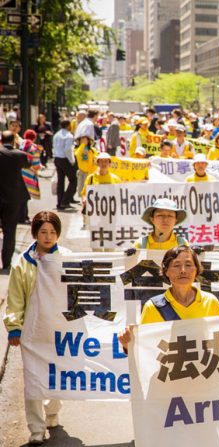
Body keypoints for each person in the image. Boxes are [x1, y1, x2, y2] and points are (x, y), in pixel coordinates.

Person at [3, 212, 69, 444]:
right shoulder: (22, 262)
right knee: (33, 379)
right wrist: (14, 326)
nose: (48, 236)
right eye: (43, 232)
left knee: (60, 376)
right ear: (35, 233)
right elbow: (15, 298)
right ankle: (36, 428)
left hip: (60, 330)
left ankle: (52, 411)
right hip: (32, 331)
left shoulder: (68, 258)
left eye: (52, 232)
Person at [118, 246, 219, 349]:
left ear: (197, 270)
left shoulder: (210, 301)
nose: (183, 270)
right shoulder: (153, 307)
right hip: (169, 375)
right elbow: (146, 348)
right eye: (176, 265)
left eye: (189, 265)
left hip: (206, 374)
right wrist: (128, 344)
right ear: (166, 271)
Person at [0, 131, 31, 272]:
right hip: (13, 197)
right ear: (14, 141)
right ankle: (6, 262)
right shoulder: (19, 155)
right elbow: (28, 164)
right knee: (10, 230)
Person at [52, 119, 77, 210]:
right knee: (73, 180)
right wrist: (72, 161)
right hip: (65, 159)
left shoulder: (56, 135)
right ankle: (65, 200)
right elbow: (67, 150)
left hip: (57, 158)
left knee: (61, 181)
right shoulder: (69, 136)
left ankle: (60, 202)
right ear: (68, 126)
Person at [19, 130, 41, 224]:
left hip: (18, 172)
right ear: (34, 138)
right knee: (26, 196)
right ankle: (23, 217)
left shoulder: (20, 144)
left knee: (20, 196)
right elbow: (36, 164)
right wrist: (39, 167)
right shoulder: (34, 147)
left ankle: (22, 216)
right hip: (28, 173)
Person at [73, 135, 98, 207]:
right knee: (82, 190)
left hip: (91, 173)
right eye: (82, 140)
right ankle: (84, 204)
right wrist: (82, 145)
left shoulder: (93, 150)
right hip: (82, 172)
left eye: (85, 140)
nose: (84, 141)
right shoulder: (78, 149)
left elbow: (96, 159)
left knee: (91, 190)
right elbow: (77, 154)